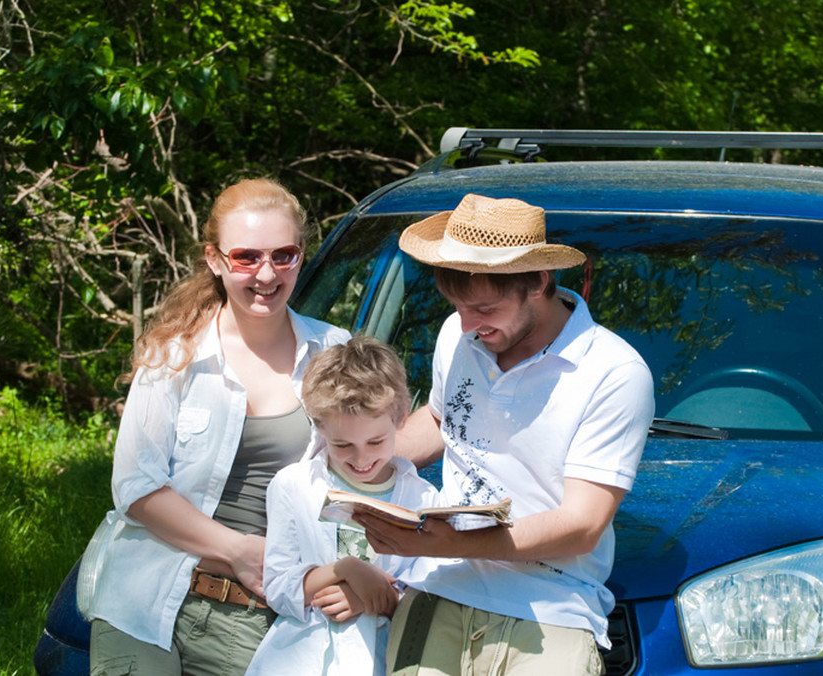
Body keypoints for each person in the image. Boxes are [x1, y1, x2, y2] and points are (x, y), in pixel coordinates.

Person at [356, 193, 657, 675]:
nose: (469, 326)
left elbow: (583, 524)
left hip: (550, 606)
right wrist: (363, 461)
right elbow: (440, 422)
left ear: (539, 281)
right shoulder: (458, 332)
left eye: (485, 309)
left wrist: (450, 543)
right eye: (456, 307)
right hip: (438, 587)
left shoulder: (614, 372)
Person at [79, 178, 351, 676]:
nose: (265, 274)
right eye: (246, 257)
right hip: (145, 600)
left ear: (300, 256)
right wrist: (239, 550)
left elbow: (361, 471)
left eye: (283, 255)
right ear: (216, 260)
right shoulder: (175, 353)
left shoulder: (333, 352)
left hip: (257, 616)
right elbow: (135, 486)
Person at [246, 336, 441, 676]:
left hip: (382, 659)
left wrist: (375, 598)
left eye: (376, 441)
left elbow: (432, 595)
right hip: (301, 660)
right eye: (342, 445)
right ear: (317, 425)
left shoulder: (424, 500)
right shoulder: (293, 486)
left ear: (400, 417)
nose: (362, 457)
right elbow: (278, 587)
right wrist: (344, 570)